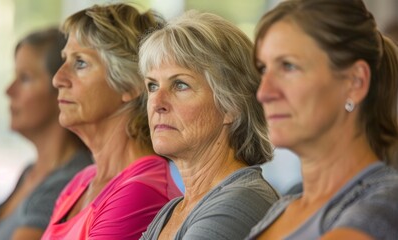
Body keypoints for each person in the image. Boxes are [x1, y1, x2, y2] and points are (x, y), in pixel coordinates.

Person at [246, 0, 398, 239]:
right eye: (264, 69)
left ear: (355, 82)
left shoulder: (387, 202)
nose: (263, 92)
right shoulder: (282, 208)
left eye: (288, 66)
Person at [41, 4, 183, 239]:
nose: (58, 79)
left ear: (131, 84)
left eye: (80, 63)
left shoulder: (141, 191)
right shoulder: (81, 182)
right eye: (65, 60)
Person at [139, 10, 279, 240]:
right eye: (152, 86)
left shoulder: (240, 203)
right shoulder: (173, 210)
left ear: (230, 106)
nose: (157, 103)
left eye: (180, 85)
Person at [0, 28, 92, 240]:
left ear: (62, 88)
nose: (9, 90)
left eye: (25, 78)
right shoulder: (30, 172)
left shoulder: (68, 181)